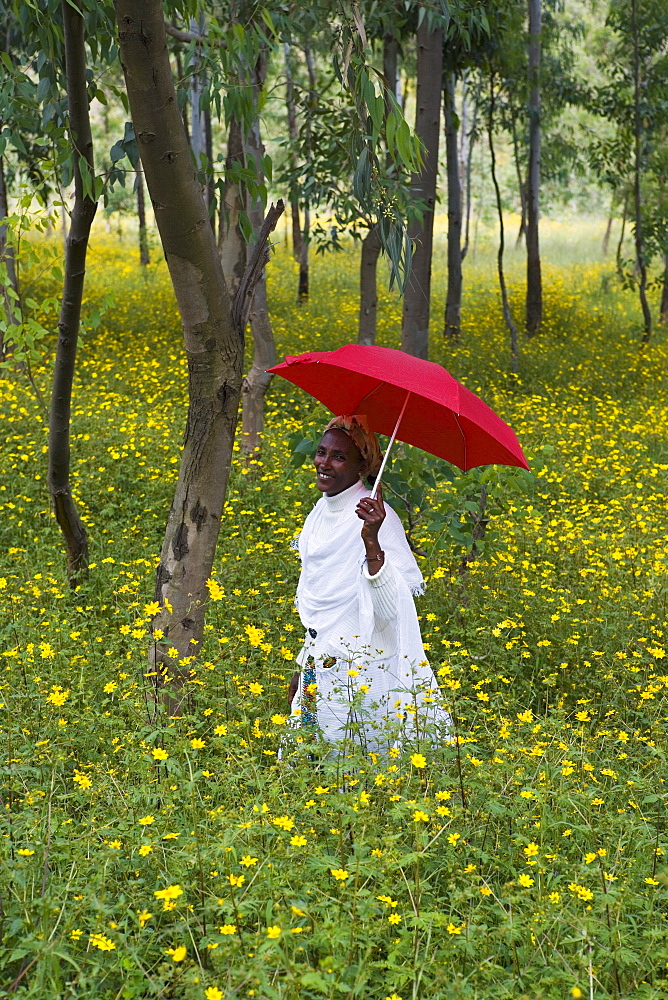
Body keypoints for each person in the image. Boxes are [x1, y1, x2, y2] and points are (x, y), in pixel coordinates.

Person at [286, 414, 450, 752]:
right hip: (318, 660)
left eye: (339, 457)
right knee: (307, 752)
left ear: (363, 467)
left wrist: (371, 540)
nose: (324, 463)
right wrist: (303, 669)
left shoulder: (378, 518)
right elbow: (317, 606)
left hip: (363, 668)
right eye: (321, 452)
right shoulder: (319, 512)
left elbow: (393, 606)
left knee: (358, 761)